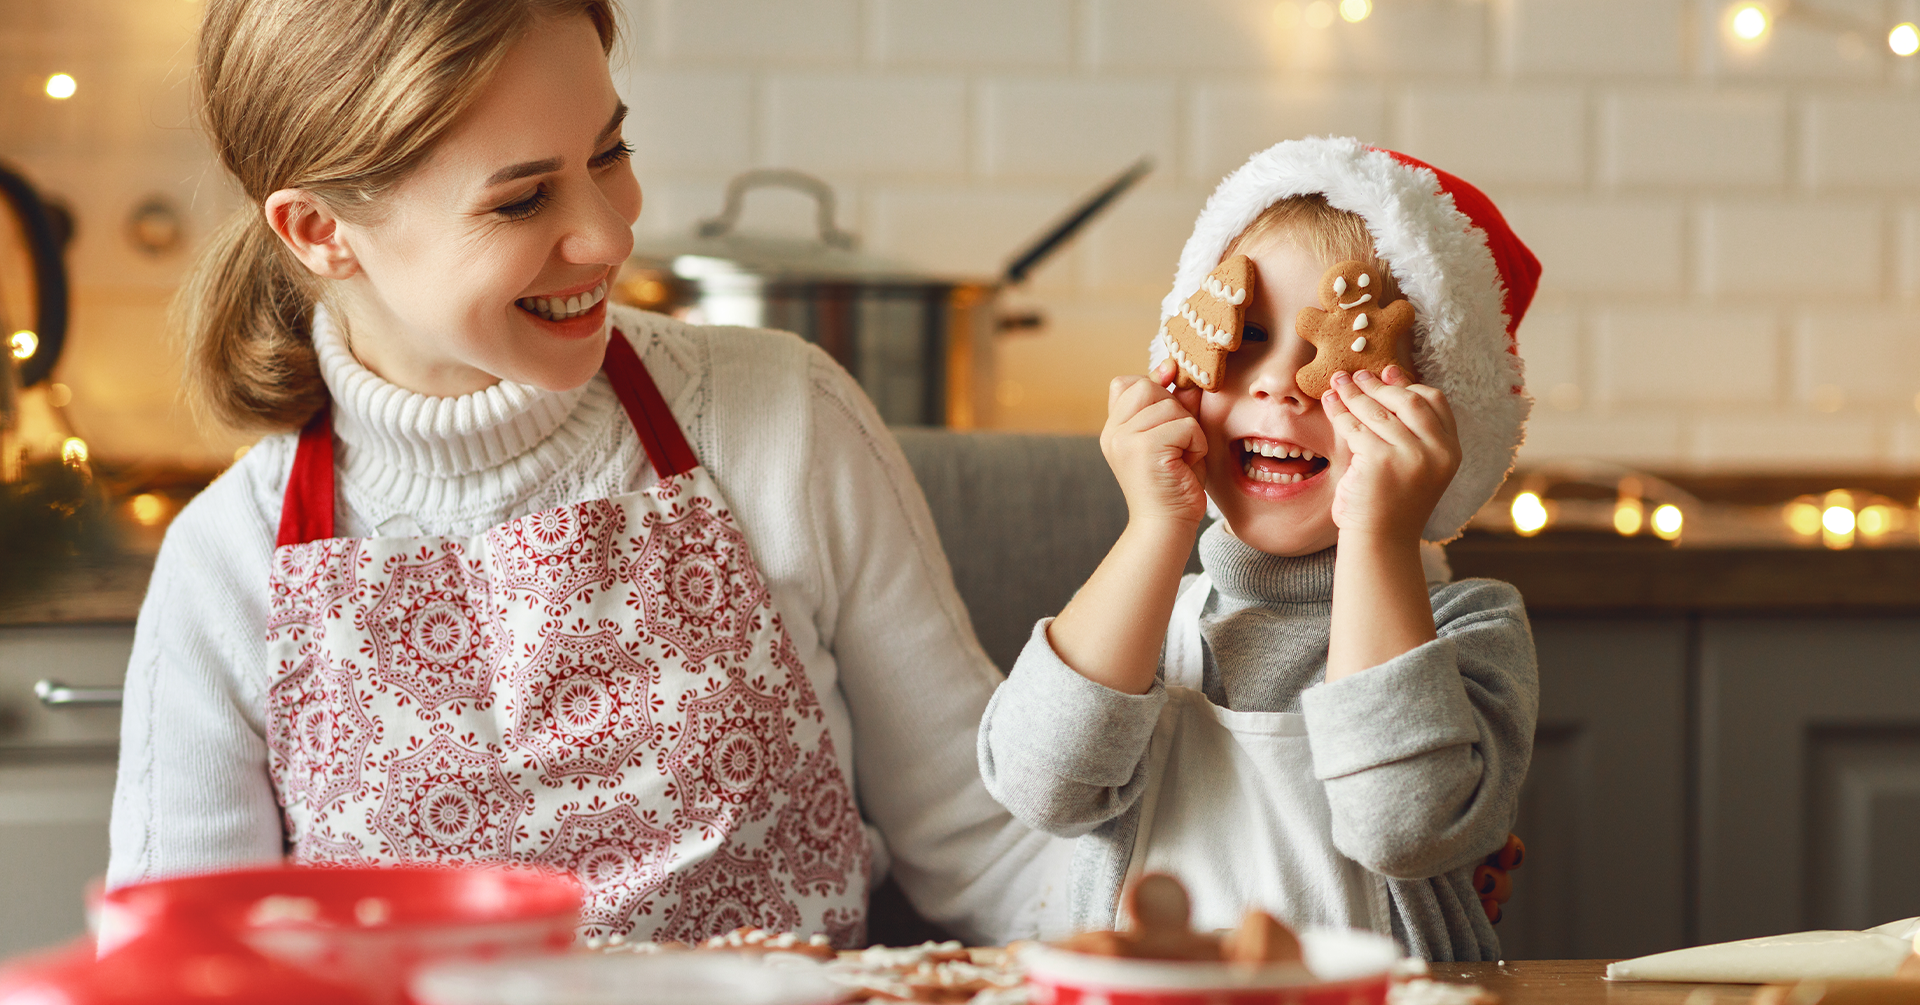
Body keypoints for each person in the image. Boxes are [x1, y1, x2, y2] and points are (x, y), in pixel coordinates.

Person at [108, 0, 1054, 946]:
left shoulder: (780, 419)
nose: (608, 238)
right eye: (522, 199)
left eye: (609, 154)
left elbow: (991, 848)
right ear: (319, 229)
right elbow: (180, 962)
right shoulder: (227, 562)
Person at [977, 137, 1542, 960]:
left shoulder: (1471, 625)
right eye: (1243, 338)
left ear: (1437, 414)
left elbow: (1403, 827)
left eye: (1336, 354)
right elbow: (1041, 787)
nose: (1278, 383)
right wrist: (1155, 527)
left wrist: (1378, 532)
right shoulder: (1146, 622)